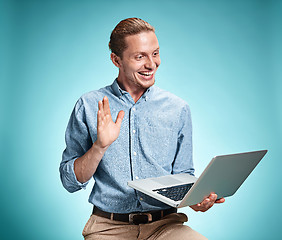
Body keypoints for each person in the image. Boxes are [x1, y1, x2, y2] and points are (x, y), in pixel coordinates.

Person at [60, 17, 225, 240]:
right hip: (108, 228)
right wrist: (99, 146)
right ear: (116, 60)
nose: (151, 64)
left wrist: (195, 200)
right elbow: (69, 182)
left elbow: (184, 175)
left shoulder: (178, 108)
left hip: (166, 225)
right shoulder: (89, 105)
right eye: (140, 57)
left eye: (155, 54)